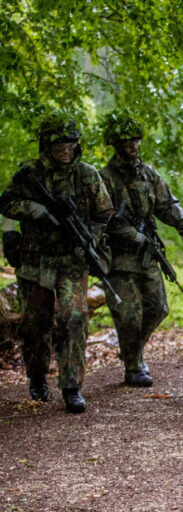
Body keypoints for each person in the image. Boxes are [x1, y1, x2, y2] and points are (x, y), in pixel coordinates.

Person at [0, 111, 114, 413]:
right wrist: (33, 209)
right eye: (58, 144)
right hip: (36, 262)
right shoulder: (30, 174)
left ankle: (71, 386)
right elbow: (6, 203)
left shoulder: (88, 175)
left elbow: (105, 214)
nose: (65, 150)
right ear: (46, 145)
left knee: (74, 319)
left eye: (70, 144)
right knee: (35, 323)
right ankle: (37, 377)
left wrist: (90, 238)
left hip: (73, 261)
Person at [99, 112, 183, 387]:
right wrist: (131, 235)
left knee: (158, 309)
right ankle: (133, 366)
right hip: (117, 259)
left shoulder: (148, 173)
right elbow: (102, 218)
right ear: (115, 143)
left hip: (146, 256)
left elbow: (167, 204)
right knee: (129, 314)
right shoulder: (103, 178)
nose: (134, 145)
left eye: (136, 140)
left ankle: (131, 351)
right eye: (127, 140)